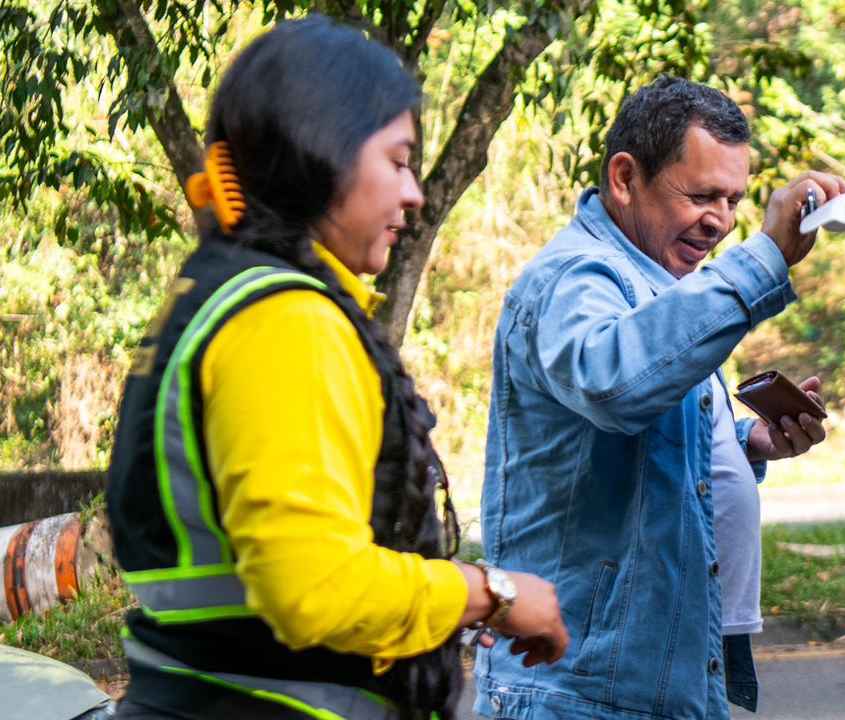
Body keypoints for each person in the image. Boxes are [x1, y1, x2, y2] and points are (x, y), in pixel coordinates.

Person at [105, 16, 567, 720]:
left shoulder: (218, 290)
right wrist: (493, 594)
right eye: (399, 161)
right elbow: (316, 588)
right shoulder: (285, 321)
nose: (414, 194)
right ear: (321, 154)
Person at [473, 76, 845, 719]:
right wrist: (765, 259)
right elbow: (612, 383)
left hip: (663, 685)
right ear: (625, 178)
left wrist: (744, 442)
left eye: (733, 200)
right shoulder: (575, 277)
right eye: (701, 196)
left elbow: (643, 421)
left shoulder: (659, 281)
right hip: (581, 695)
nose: (721, 221)